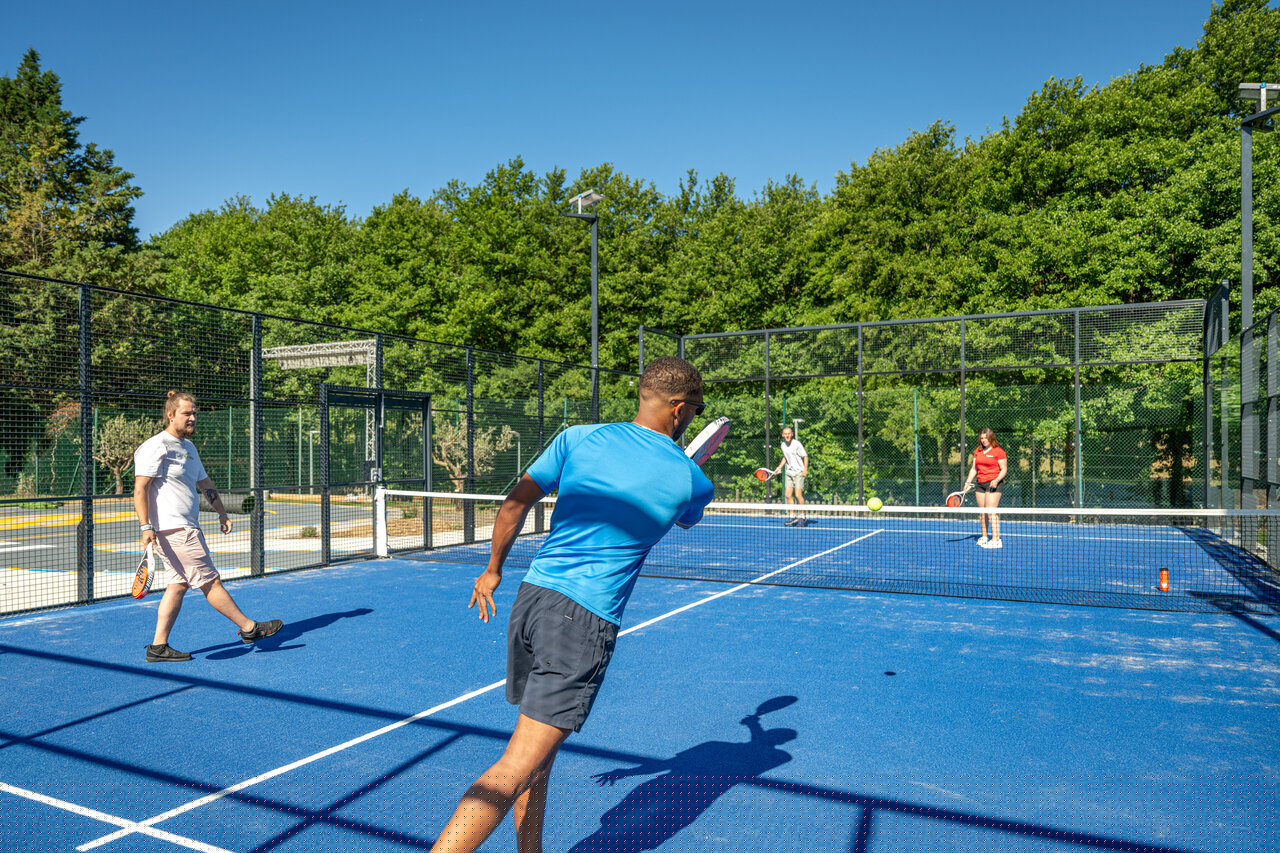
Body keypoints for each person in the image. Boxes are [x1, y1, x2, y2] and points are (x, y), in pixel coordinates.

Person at [429, 357, 715, 853]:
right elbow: (686, 517)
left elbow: (515, 502)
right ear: (678, 408)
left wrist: (493, 569)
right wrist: (688, 467)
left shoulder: (578, 437)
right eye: (695, 409)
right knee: (516, 765)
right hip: (582, 623)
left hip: (532, 600)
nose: (693, 416)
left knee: (537, 759)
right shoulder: (693, 481)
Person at [133, 391, 282, 662]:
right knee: (210, 583)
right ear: (171, 414)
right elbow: (140, 489)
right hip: (175, 530)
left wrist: (222, 513)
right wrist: (146, 526)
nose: (192, 418)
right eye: (186, 413)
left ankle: (158, 647)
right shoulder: (156, 446)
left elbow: (205, 483)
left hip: (186, 526)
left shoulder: (188, 448)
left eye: (194, 413)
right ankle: (249, 628)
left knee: (177, 585)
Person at [963, 427, 1008, 549]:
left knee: (991, 511)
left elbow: (1004, 469)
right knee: (982, 512)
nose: (983, 440)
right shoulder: (977, 451)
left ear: (991, 438)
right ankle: (984, 537)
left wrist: (996, 480)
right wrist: (968, 482)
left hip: (994, 484)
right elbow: (974, 469)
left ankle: (996, 539)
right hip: (980, 484)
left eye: (985, 438)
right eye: (981, 438)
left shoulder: (999, 452)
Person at [771, 426, 809, 526]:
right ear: (783, 435)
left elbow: (805, 456)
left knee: (798, 495)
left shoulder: (797, 444)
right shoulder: (783, 445)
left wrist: (805, 469)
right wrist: (779, 468)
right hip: (788, 473)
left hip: (798, 473)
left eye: (789, 434)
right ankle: (792, 516)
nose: (787, 435)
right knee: (788, 495)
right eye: (785, 434)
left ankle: (802, 516)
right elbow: (785, 457)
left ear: (792, 434)